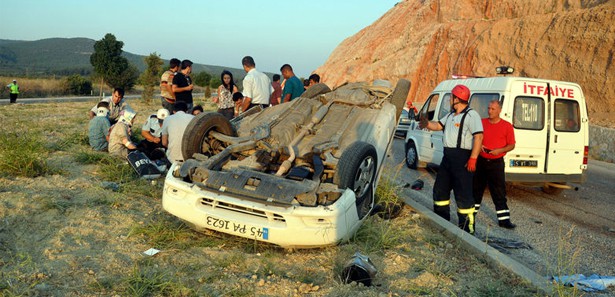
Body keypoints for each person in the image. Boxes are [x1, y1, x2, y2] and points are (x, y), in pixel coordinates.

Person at [419, 84, 483, 234]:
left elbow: (479, 137)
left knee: (463, 195)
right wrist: (427, 124)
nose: (449, 100)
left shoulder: (472, 116)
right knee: (440, 190)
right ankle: (441, 222)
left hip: (463, 159)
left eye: (451, 97)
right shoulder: (450, 115)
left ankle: (467, 230)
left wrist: (473, 158)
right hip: (448, 158)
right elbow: (438, 126)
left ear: (457, 99)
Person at [473, 100, 516, 229]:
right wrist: (479, 146)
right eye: (489, 108)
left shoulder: (507, 126)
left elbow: (512, 145)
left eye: (493, 109)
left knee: (499, 192)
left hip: (496, 163)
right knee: (476, 190)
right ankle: (469, 216)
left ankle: (504, 220)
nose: (490, 111)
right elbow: (475, 138)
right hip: (481, 162)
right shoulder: (482, 123)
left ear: (499, 110)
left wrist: (500, 150)